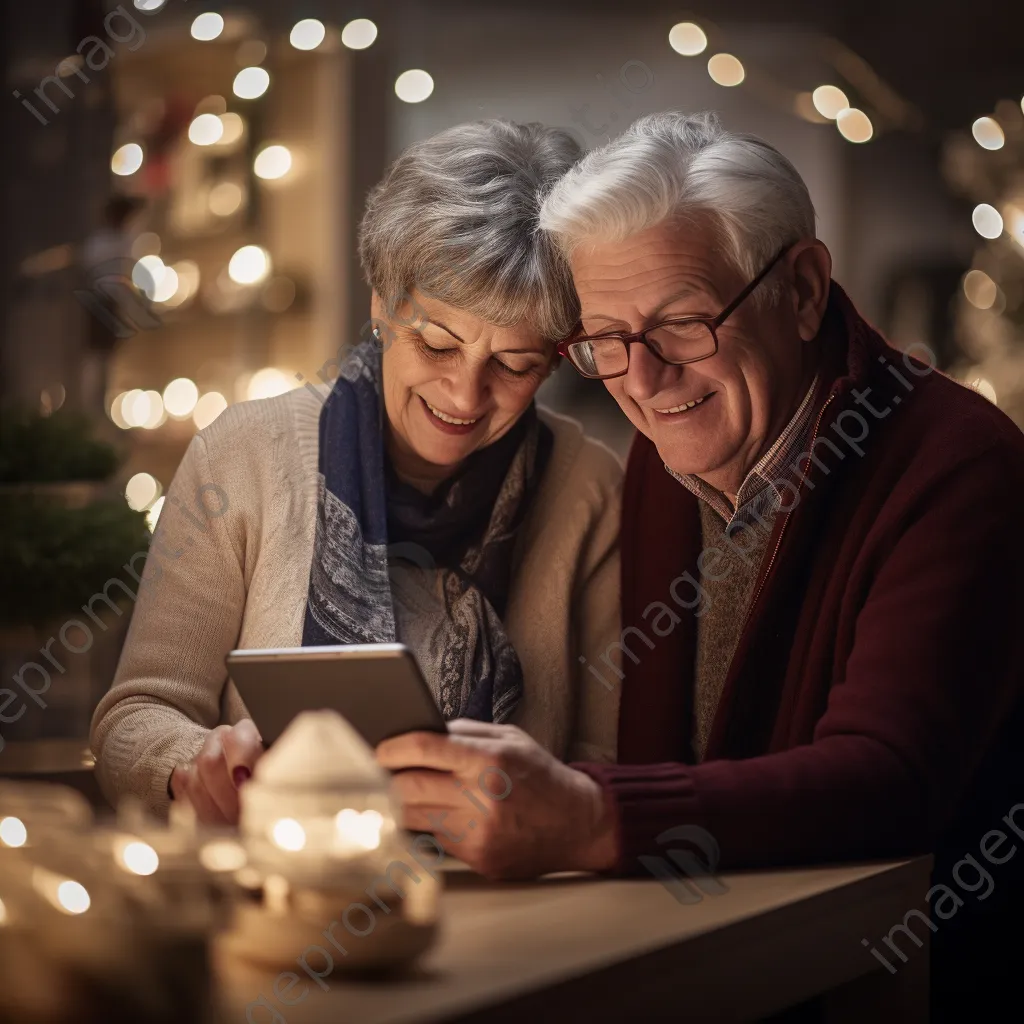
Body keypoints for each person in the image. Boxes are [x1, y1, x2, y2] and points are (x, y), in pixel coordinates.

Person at [376, 112, 1024, 1017]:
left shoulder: (958, 464)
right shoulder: (661, 457)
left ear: (801, 290)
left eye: (683, 323)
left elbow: (887, 781)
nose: (643, 381)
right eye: (604, 341)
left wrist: (592, 815)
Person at [90, 120, 623, 821]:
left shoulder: (588, 484)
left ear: (556, 358)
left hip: (514, 902)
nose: (465, 395)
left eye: (515, 365)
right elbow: (138, 713)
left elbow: (608, 763)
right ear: (381, 305)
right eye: (436, 344)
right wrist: (191, 763)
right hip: (279, 893)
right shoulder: (245, 453)